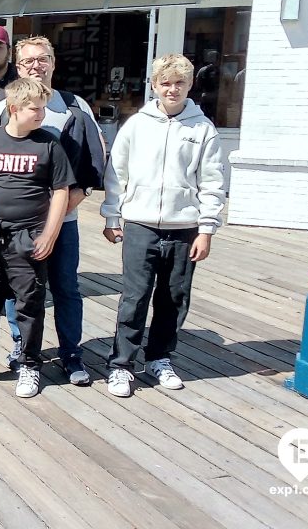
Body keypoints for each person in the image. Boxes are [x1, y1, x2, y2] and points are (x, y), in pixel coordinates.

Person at [0, 36, 105, 385]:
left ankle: (71, 354)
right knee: (16, 290)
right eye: (28, 61)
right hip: (15, 227)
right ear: (18, 67)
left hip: (63, 222)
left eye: (43, 59)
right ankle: (21, 346)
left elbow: (91, 171)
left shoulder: (74, 107)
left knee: (65, 288)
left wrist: (52, 216)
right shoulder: (3, 109)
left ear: (53, 62)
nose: (36, 65)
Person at [100, 54, 226, 398]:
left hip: (185, 226)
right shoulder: (137, 125)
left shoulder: (202, 129)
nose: (172, 89)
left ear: (189, 85)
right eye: (165, 83)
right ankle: (121, 364)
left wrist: (206, 229)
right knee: (134, 296)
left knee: (174, 297)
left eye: (179, 83)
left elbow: (213, 181)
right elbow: (117, 173)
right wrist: (113, 216)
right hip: (140, 223)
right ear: (154, 85)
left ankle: (159, 358)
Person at [0, 78, 74, 398]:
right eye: (35, 108)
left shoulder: (49, 143)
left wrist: (50, 234)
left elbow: (61, 190)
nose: (41, 114)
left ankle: (30, 364)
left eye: (43, 108)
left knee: (30, 304)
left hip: (29, 236)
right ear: (13, 109)